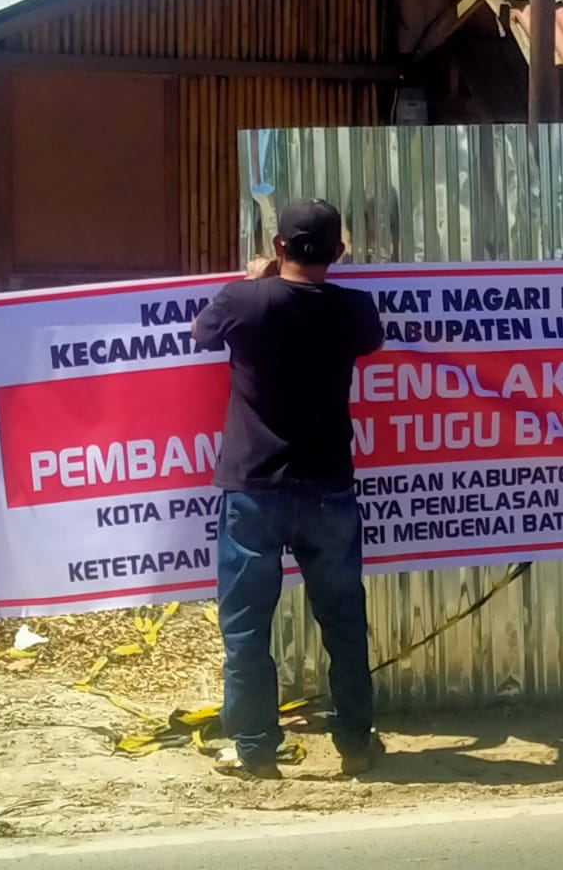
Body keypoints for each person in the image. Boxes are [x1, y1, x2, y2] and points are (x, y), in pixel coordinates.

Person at [192, 199, 386, 779]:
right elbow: (371, 341)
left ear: (279, 247)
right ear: (338, 252)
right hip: (327, 488)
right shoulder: (354, 309)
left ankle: (255, 752)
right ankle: (355, 745)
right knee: (344, 622)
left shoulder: (245, 300)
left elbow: (202, 332)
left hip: (255, 489)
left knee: (246, 627)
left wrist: (257, 281)